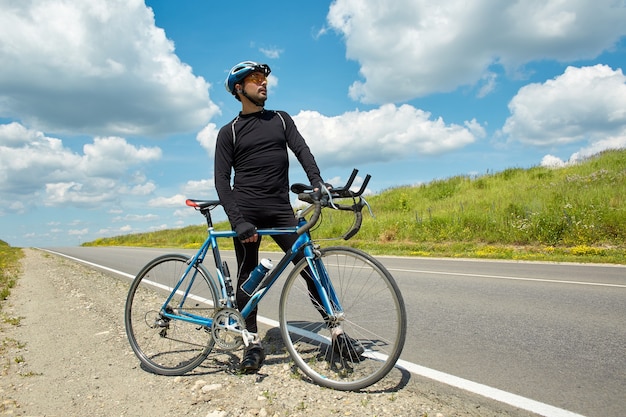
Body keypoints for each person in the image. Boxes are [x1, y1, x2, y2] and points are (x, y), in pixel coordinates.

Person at [214, 61, 363, 374]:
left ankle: (337, 334)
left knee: (310, 268)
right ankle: (250, 342)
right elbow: (221, 181)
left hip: (281, 209)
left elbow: (303, 151)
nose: (263, 84)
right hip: (247, 212)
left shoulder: (281, 119)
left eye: (265, 79)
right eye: (255, 80)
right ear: (239, 89)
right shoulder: (228, 132)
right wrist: (238, 221)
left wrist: (318, 181)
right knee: (248, 276)